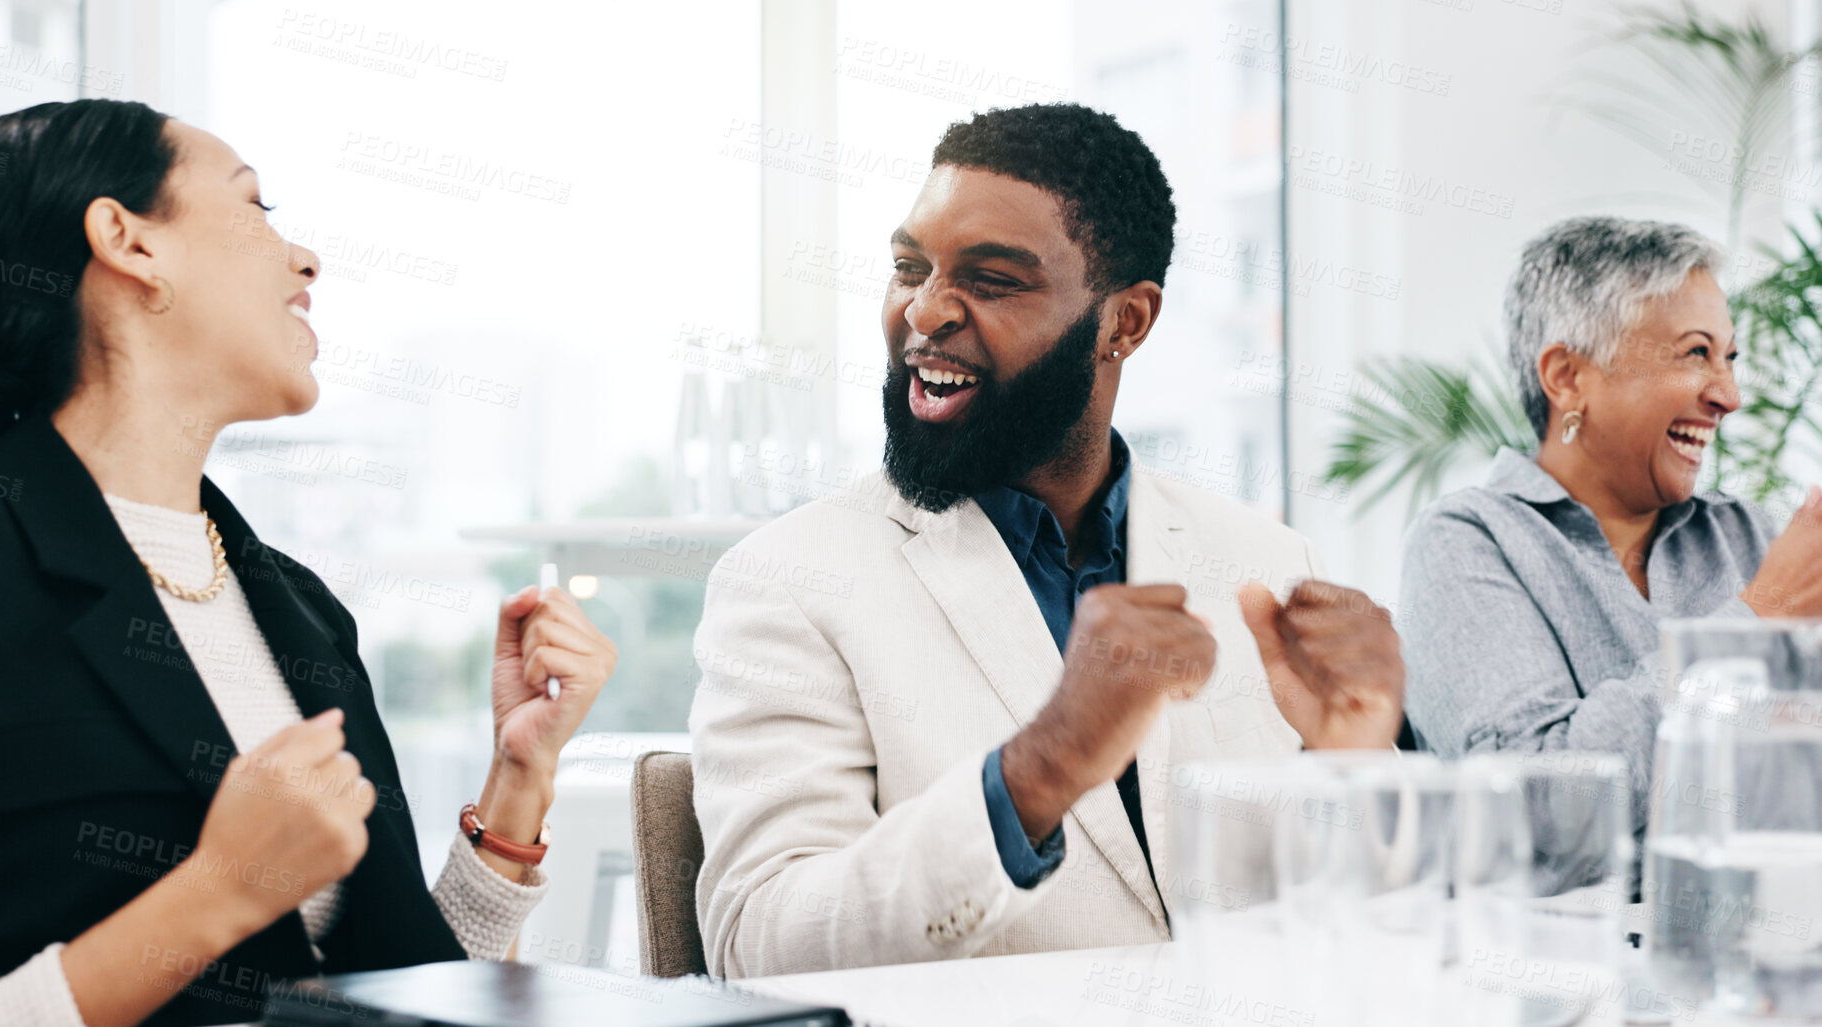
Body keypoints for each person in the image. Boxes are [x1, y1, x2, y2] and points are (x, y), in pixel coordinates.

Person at [0, 100, 618, 1027]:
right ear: (128, 242)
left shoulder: (297, 609)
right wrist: (220, 891)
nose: (304, 260)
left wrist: (520, 779)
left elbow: (384, 997)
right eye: (255, 207)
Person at [688, 102, 1406, 978]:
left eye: (990, 281)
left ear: (1124, 323)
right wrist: (1042, 766)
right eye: (908, 266)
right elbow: (759, 943)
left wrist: (1354, 765)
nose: (925, 310)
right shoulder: (789, 580)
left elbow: (1350, 949)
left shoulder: (1264, 565)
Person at [1401, 215, 1822, 850]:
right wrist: (1754, 622)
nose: (1729, 396)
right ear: (1568, 377)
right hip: (1566, 949)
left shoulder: (1744, 536)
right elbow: (1536, 812)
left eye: (1730, 358)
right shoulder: (1467, 541)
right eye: (1696, 353)